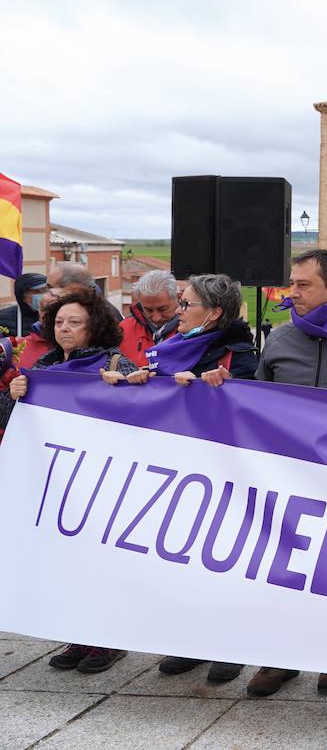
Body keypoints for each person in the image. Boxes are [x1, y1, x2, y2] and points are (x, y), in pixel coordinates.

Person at [1, 288, 146, 673]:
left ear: (94, 327)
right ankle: (79, 636)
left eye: (75, 322)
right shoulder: (43, 371)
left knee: (101, 564)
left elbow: (145, 418)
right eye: (59, 321)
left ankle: (109, 640)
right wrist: (13, 396)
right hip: (57, 483)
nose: (64, 328)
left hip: (102, 481)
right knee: (66, 564)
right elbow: (9, 425)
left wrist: (125, 389)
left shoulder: (118, 364)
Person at [245, 250, 327, 698]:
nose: (292, 293)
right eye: (291, 283)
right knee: (284, 566)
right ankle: (281, 657)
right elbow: (255, 400)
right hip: (289, 477)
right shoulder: (279, 339)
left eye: (303, 285)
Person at [148, 274, 259, 685]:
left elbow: (253, 404)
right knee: (185, 552)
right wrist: (140, 381)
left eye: (187, 304)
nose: (179, 311)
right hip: (181, 464)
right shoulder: (168, 344)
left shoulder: (239, 353)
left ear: (212, 313)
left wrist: (225, 387)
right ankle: (191, 639)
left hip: (224, 469)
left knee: (224, 553)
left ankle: (230, 644)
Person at [119, 270, 180, 366]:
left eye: (163, 309)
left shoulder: (194, 330)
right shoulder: (124, 329)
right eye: (148, 310)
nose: (156, 318)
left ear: (178, 297)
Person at [0, 272, 46, 337]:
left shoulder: (55, 315)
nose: (43, 295)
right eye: (37, 291)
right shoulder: (3, 318)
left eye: (45, 290)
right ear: (23, 296)